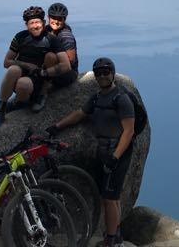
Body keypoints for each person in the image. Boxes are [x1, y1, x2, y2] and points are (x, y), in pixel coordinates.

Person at [46, 57, 134, 247]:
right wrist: (57, 126)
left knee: (109, 198)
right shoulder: (97, 97)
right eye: (98, 73)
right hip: (104, 151)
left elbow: (129, 131)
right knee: (112, 197)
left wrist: (115, 157)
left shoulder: (121, 98)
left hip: (117, 152)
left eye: (106, 72)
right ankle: (116, 235)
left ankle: (110, 241)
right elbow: (80, 114)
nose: (102, 76)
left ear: (112, 73)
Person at [0, 5, 71, 131]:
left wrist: (43, 72)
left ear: (43, 22)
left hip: (38, 77)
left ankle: (38, 96)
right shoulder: (20, 37)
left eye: (37, 22)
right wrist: (26, 65)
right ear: (26, 25)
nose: (35, 26)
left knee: (23, 84)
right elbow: (6, 62)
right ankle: (0, 111)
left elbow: (66, 65)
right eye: (31, 23)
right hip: (23, 72)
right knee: (13, 69)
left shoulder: (51, 39)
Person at [32, 2, 79, 113]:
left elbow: (70, 61)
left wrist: (49, 68)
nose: (56, 21)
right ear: (48, 17)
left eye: (60, 19)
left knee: (50, 56)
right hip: (48, 69)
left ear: (64, 19)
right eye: (53, 17)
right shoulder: (45, 30)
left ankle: (43, 94)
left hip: (67, 72)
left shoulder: (66, 36)